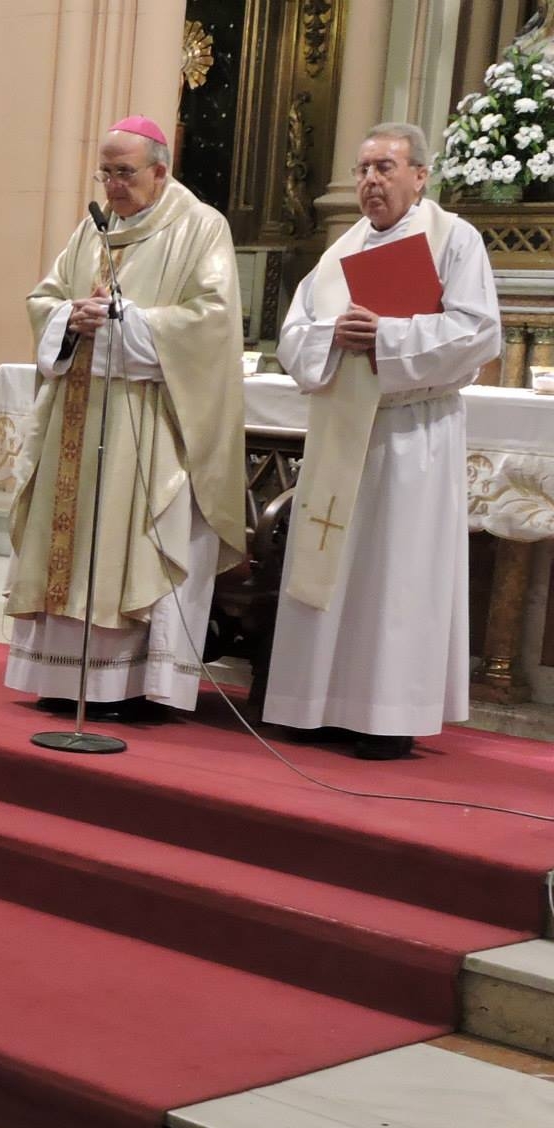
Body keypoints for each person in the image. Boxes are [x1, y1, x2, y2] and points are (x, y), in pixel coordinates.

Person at [263, 123, 501, 760]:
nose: (371, 180)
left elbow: (479, 333)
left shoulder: (454, 239)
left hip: (412, 432)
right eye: (364, 168)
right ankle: (316, 705)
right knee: (336, 566)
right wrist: (333, 336)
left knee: (397, 574)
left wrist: (388, 337)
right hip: (344, 430)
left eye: (385, 167)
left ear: (420, 176)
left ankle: (386, 716)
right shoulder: (338, 253)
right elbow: (294, 335)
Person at [3, 116, 246, 720]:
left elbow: (213, 322)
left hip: (148, 421)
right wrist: (68, 317)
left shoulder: (200, 227)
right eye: (105, 173)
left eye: (125, 173)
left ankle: (132, 686)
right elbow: (44, 297)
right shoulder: (93, 230)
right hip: (78, 415)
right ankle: (62, 678)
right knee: (72, 538)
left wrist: (127, 322)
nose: (112, 185)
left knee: (132, 542)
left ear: (160, 172)